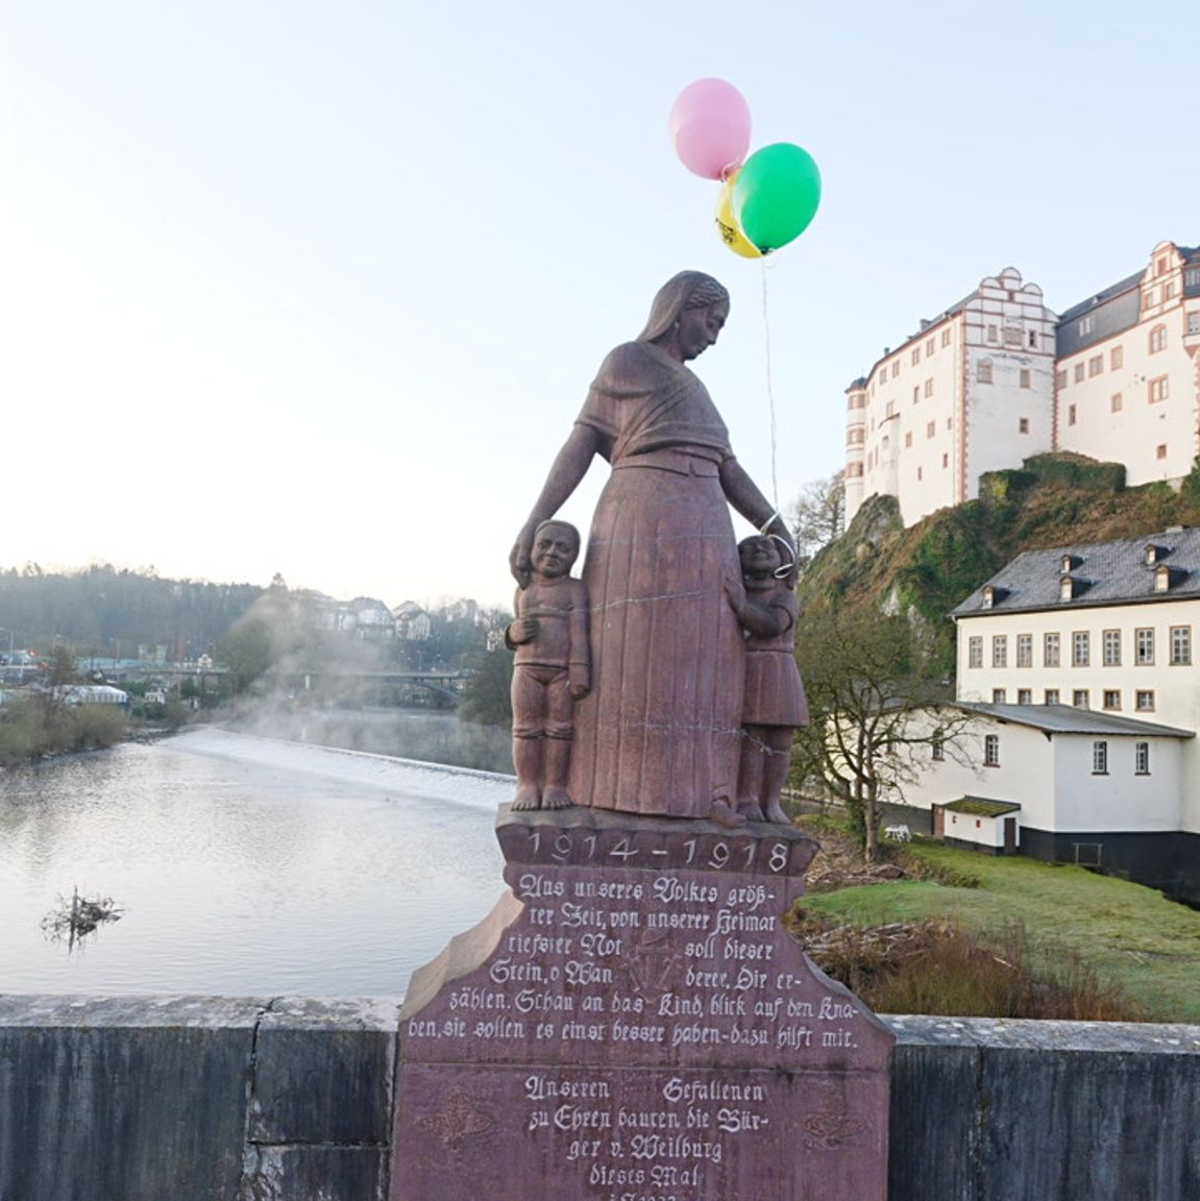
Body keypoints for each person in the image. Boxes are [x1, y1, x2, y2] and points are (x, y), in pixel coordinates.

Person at [510, 271, 794, 823]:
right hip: (637, 520)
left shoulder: (698, 390)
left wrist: (775, 524)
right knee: (628, 654)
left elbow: (729, 469)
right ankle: (611, 789)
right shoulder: (626, 361)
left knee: (706, 661)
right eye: (710, 321)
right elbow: (580, 443)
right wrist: (536, 517)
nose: (713, 336)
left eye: (720, 327)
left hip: (707, 527)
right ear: (680, 309)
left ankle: (704, 794)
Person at [505, 520, 590, 811]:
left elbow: (580, 632)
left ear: (574, 556)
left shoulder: (575, 590)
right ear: (531, 549)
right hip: (526, 669)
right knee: (524, 729)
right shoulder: (524, 588)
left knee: (560, 729)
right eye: (544, 545)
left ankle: (555, 785)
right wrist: (512, 633)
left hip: (561, 672)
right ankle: (527, 784)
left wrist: (580, 668)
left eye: (563, 548)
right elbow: (515, 627)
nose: (552, 553)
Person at [727, 534, 809, 824]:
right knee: (751, 736)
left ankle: (771, 801)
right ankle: (747, 799)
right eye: (750, 547)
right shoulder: (735, 591)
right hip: (748, 666)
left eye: (767, 546)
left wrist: (742, 608)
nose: (760, 549)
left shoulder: (786, 596)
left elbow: (773, 624)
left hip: (780, 666)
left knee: (781, 738)